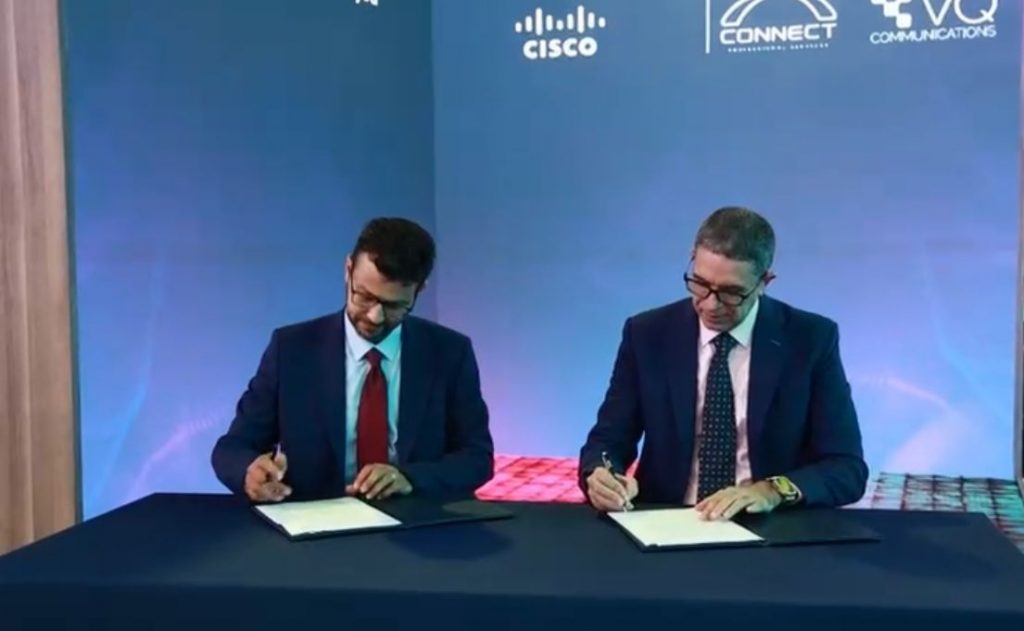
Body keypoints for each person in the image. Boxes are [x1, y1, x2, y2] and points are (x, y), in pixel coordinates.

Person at [579, 207, 867, 520]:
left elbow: (846, 469)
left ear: (765, 281)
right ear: (692, 258)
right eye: (700, 284)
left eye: (731, 293)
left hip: (769, 526)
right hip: (665, 520)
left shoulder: (810, 339)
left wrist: (770, 491)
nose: (710, 304)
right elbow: (607, 442)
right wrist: (601, 476)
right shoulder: (647, 334)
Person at [212, 217, 494, 503]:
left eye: (394, 305)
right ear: (348, 270)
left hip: (417, 522)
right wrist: (249, 471)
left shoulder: (450, 352)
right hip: (316, 521)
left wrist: (410, 478)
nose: (375, 317)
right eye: (364, 297)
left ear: (419, 290)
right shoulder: (291, 350)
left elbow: (477, 458)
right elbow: (232, 448)